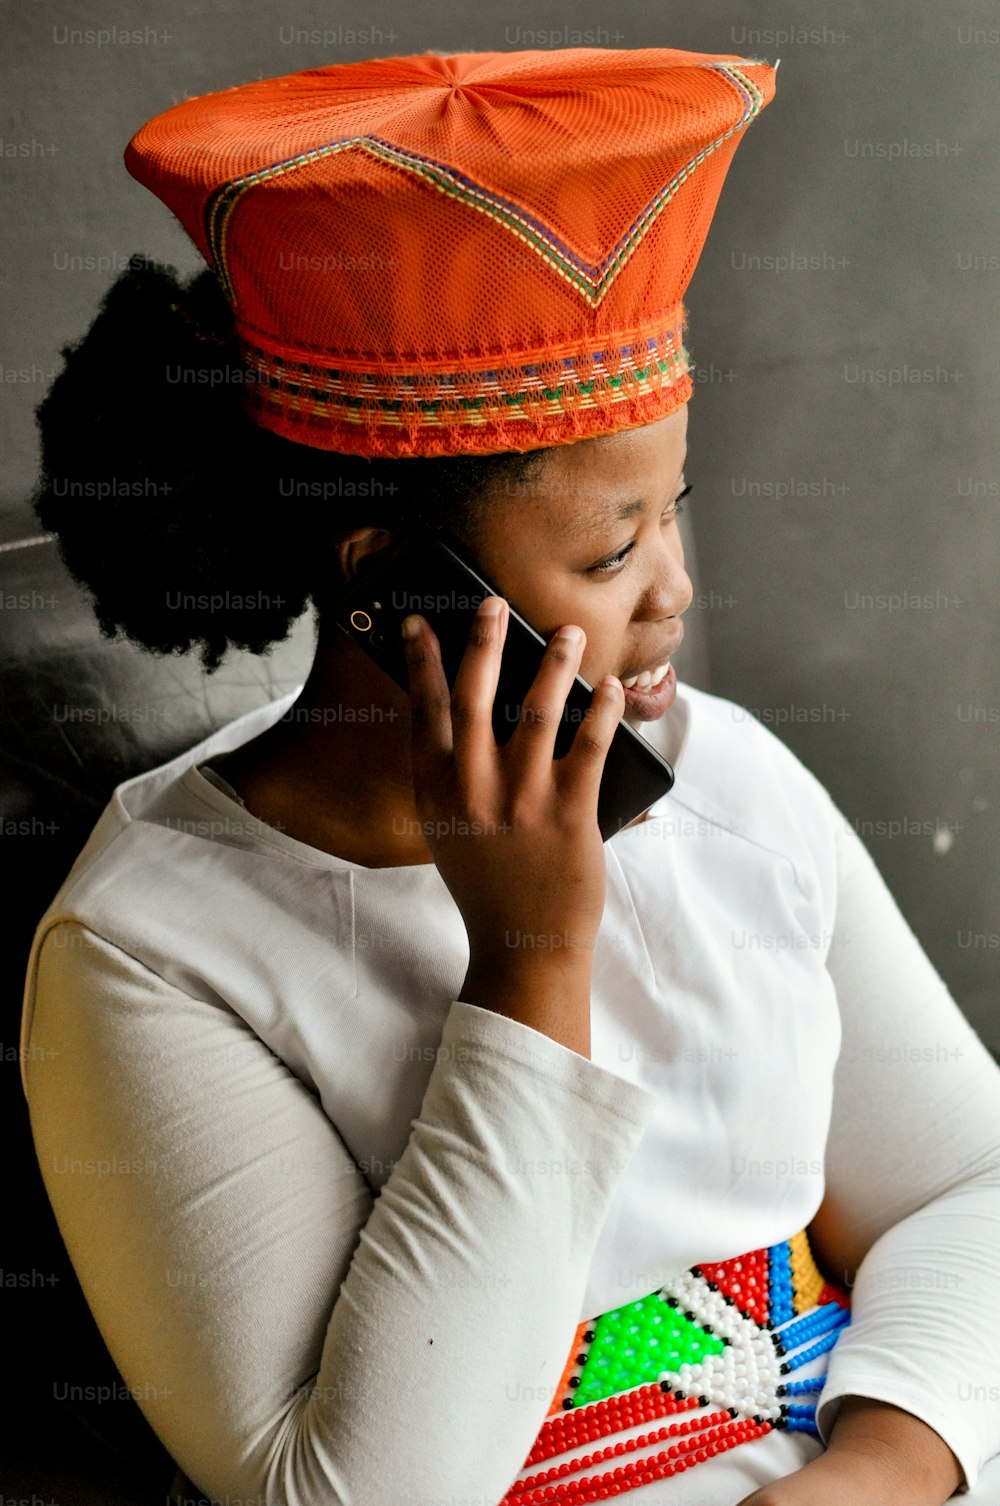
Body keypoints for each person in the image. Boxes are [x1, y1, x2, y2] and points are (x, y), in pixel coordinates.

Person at [18, 46, 1000, 1506]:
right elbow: (353, 1489)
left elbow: (968, 1184)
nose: (674, 593)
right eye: (608, 553)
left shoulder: (726, 777)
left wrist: (879, 1464)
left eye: (673, 511)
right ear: (391, 584)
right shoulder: (150, 953)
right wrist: (531, 966)